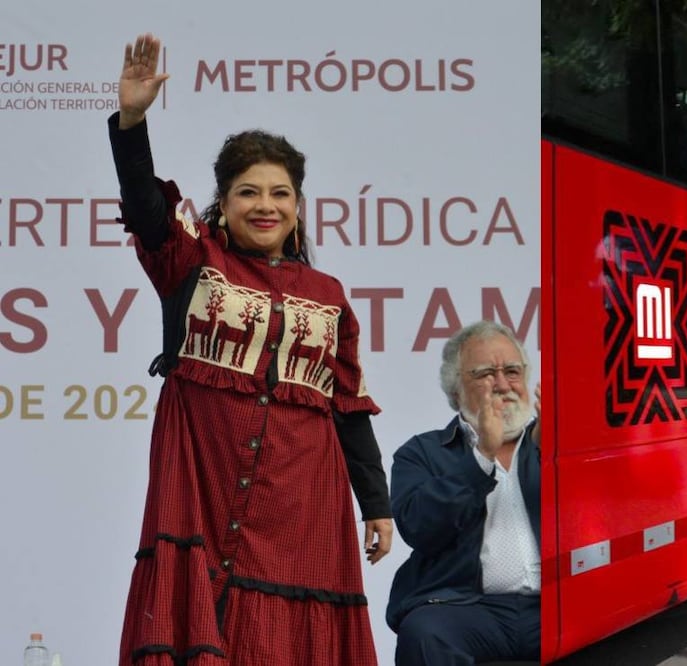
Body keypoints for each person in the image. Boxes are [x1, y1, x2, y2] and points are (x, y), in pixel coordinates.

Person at [108, 33, 392, 665]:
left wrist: (377, 506)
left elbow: (347, 404)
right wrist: (131, 124)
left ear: (297, 205)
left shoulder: (328, 293)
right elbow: (145, 208)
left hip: (304, 498)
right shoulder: (190, 259)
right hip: (203, 481)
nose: (265, 205)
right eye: (249, 192)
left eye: (279, 193)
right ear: (224, 201)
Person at [387, 321, 541, 665]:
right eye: (486, 373)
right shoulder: (422, 452)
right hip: (467, 609)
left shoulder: (548, 443)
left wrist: (562, 454)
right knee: (424, 633)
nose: (503, 385)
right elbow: (420, 529)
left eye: (513, 371)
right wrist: (481, 456)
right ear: (456, 391)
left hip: (551, 607)